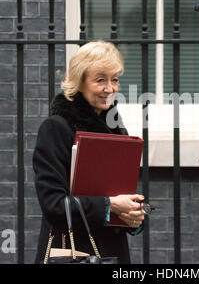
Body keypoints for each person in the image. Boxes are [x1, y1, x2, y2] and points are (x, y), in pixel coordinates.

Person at [33, 41, 145, 264]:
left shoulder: (116, 129)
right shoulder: (56, 128)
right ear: (78, 82)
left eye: (115, 79)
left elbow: (120, 193)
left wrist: (135, 216)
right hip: (72, 253)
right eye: (100, 80)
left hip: (113, 252)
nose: (110, 88)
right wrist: (110, 205)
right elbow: (53, 205)